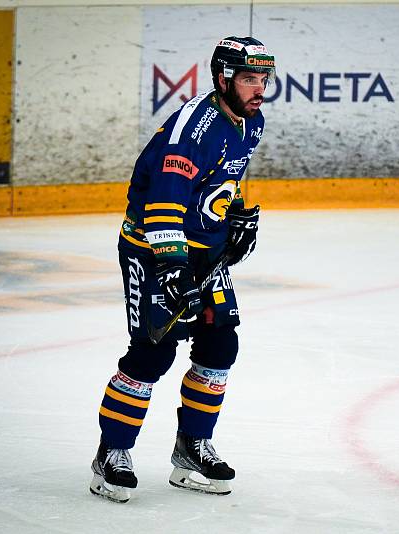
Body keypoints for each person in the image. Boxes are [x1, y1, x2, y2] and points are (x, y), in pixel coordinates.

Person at [89, 36, 275, 503]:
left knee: (219, 345)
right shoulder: (195, 129)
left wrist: (229, 220)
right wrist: (171, 266)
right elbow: (164, 202)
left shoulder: (250, 122)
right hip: (154, 250)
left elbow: (212, 187)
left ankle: (192, 447)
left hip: (204, 255)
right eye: (249, 79)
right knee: (152, 354)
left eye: (263, 79)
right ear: (223, 79)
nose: (259, 89)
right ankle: (110, 453)